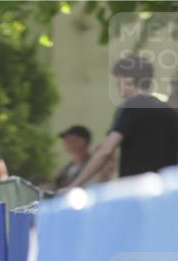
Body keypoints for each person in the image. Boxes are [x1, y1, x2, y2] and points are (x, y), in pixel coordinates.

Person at [65, 56, 178, 188]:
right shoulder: (169, 111)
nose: (117, 84)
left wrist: (74, 185)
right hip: (166, 190)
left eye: (118, 78)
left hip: (135, 190)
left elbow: (106, 151)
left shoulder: (132, 107)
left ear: (128, 79)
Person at [52, 125, 114, 189]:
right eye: (65, 140)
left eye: (70, 140)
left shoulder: (96, 166)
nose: (65, 143)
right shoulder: (65, 169)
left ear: (82, 141)